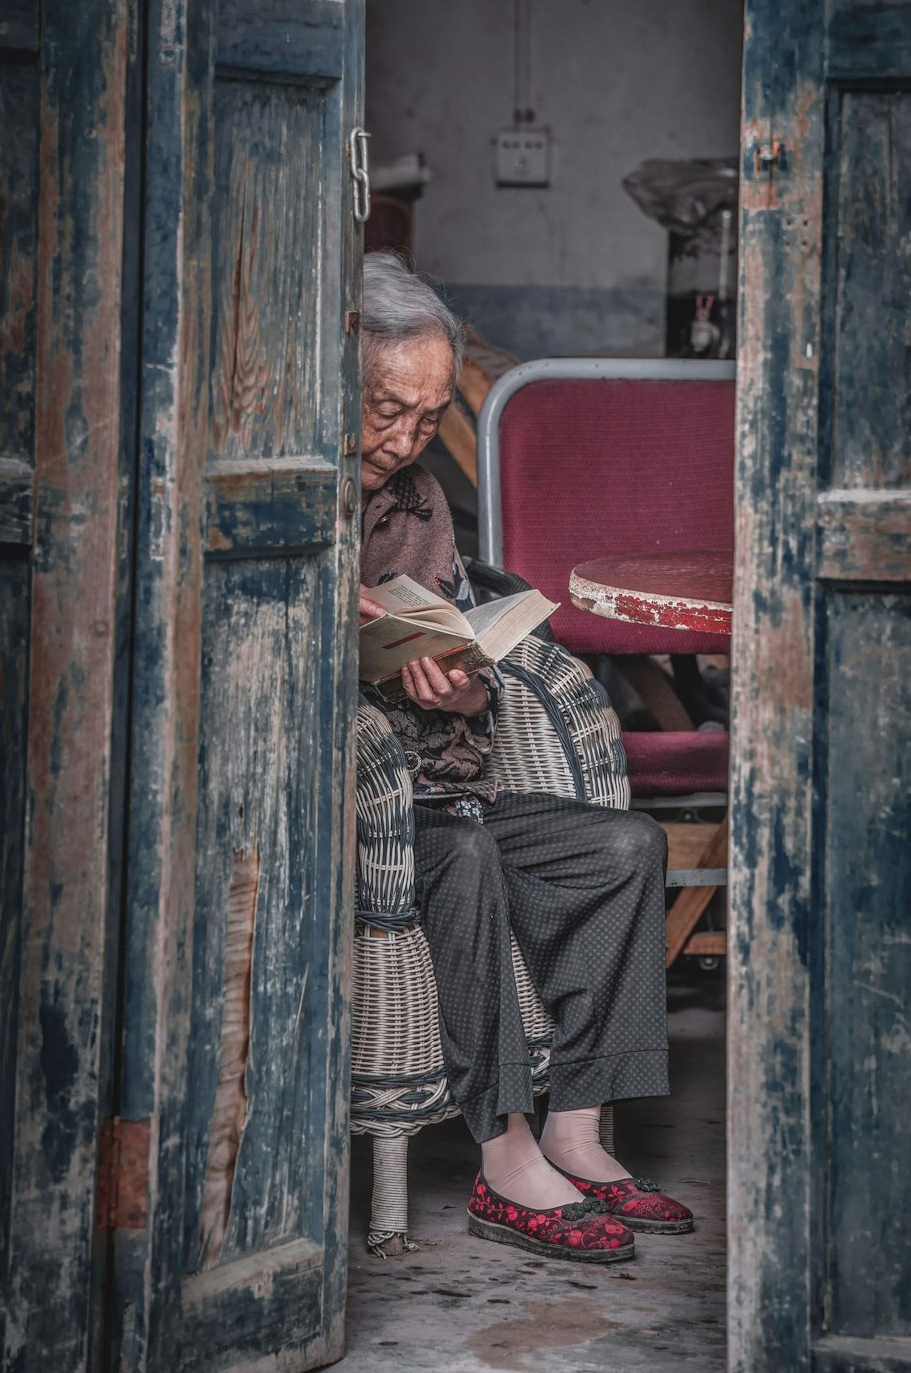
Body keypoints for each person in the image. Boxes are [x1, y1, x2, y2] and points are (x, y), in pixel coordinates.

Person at [359, 252, 693, 1264]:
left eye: (425, 416)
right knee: (460, 857)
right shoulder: (287, 489)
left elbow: (449, 636)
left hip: (451, 782)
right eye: (385, 411)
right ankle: (503, 1160)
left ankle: (576, 1133)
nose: (406, 438)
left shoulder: (416, 499)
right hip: (359, 811)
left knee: (625, 847)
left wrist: (462, 684)